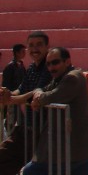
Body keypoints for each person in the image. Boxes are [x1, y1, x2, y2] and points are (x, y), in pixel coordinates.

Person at [21, 47, 88, 175]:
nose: (51, 67)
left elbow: (51, 96)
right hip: (78, 148)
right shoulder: (60, 78)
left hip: (76, 147)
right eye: (48, 64)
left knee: (31, 171)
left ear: (67, 62)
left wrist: (39, 97)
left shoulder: (73, 77)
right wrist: (12, 99)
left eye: (55, 62)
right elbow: (41, 92)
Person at [0, 31, 51, 174]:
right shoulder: (31, 68)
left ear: (47, 46)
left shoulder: (50, 66)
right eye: (31, 45)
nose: (35, 49)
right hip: (28, 126)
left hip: (43, 130)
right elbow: (21, 89)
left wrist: (10, 99)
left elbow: (36, 92)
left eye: (39, 45)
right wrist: (7, 93)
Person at [2, 43, 26, 137]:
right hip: (11, 97)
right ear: (17, 53)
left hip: (17, 97)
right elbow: (6, 83)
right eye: (22, 51)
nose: (24, 53)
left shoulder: (21, 65)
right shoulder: (10, 67)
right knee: (13, 119)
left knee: (17, 119)